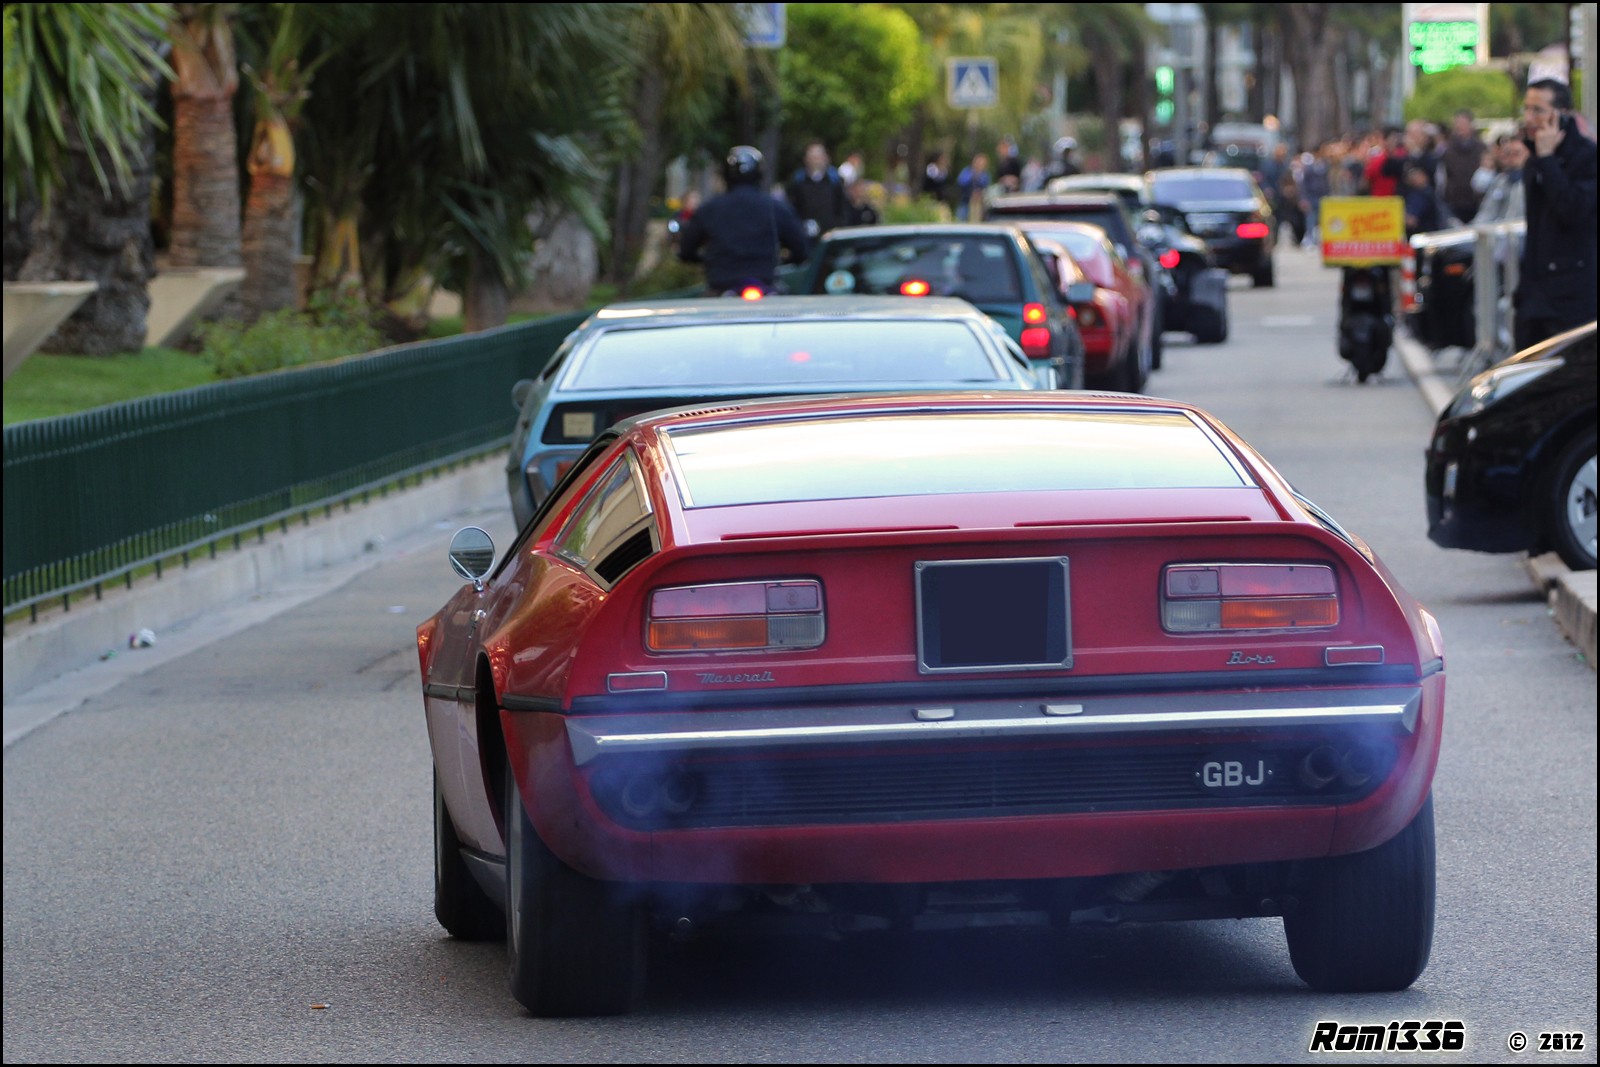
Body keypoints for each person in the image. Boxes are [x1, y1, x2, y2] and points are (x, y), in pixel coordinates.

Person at [1512, 78, 1598, 351]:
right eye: (1527, 109)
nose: (1530, 118)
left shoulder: (1586, 156)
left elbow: (1573, 210)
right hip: (1534, 295)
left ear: (1561, 113)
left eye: (1538, 110)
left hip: (1571, 300)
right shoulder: (1533, 156)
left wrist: (1548, 160)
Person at [677, 145, 809, 296]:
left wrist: (705, 259)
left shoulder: (710, 209)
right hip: (766, 284)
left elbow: (686, 250)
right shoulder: (775, 207)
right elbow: (801, 250)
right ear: (759, 174)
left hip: (721, 287)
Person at [785, 140, 850, 239]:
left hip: (829, 237)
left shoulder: (835, 182)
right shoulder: (798, 182)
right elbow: (792, 210)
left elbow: (842, 211)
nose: (816, 160)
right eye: (812, 157)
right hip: (804, 236)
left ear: (826, 158)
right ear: (806, 159)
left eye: (818, 156)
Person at [1438, 109, 1487, 224]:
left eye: (1463, 124)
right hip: (1454, 202)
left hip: (1475, 202)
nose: (1460, 127)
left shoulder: (1481, 148)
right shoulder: (1447, 150)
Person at [955, 152, 991, 221]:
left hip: (979, 204)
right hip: (965, 202)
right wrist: (973, 175)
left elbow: (986, 187)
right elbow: (961, 182)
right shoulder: (966, 172)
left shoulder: (985, 175)